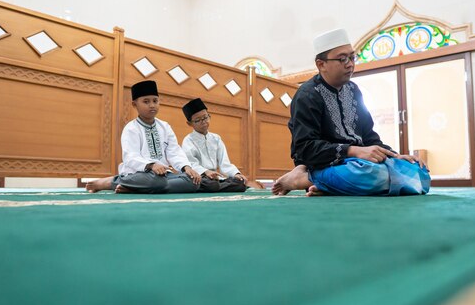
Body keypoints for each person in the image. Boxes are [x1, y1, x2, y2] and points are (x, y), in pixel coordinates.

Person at [272, 28, 431, 197]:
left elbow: (369, 136)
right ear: (321, 64)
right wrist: (353, 151)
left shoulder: (354, 91)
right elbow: (305, 148)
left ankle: (328, 186)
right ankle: (305, 178)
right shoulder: (307, 95)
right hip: (328, 164)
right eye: (342, 59)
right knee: (372, 174)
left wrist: (396, 156)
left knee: (419, 173)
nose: (350, 64)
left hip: (359, 163)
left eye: (352, 57)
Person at [86, 80, 201, 194]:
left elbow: (174, 151)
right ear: (134, 105)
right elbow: (130, 157)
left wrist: (186, 167)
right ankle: (111, 182)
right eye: (146, 101)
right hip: (139, 174)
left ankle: (134, 188)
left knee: (193, 181)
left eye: (155, 101)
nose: (152, 105)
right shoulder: (131, 128)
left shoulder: (165, 127)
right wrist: (151, 165)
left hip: (163, 175)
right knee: (156, 181)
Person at [181, 98, 248, 193]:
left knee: (240, 183)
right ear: (189, 124)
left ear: (209, 116)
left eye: (205, 117)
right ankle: (217, 186)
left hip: (215, 178)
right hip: (200, 176)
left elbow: (224, 163)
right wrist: (206, 172)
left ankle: (218, 186)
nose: (203, 121)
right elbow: (191, 164)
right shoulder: (188, 140)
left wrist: (236, 173)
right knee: (210, 184)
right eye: (198, 120)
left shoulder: (216, 138)